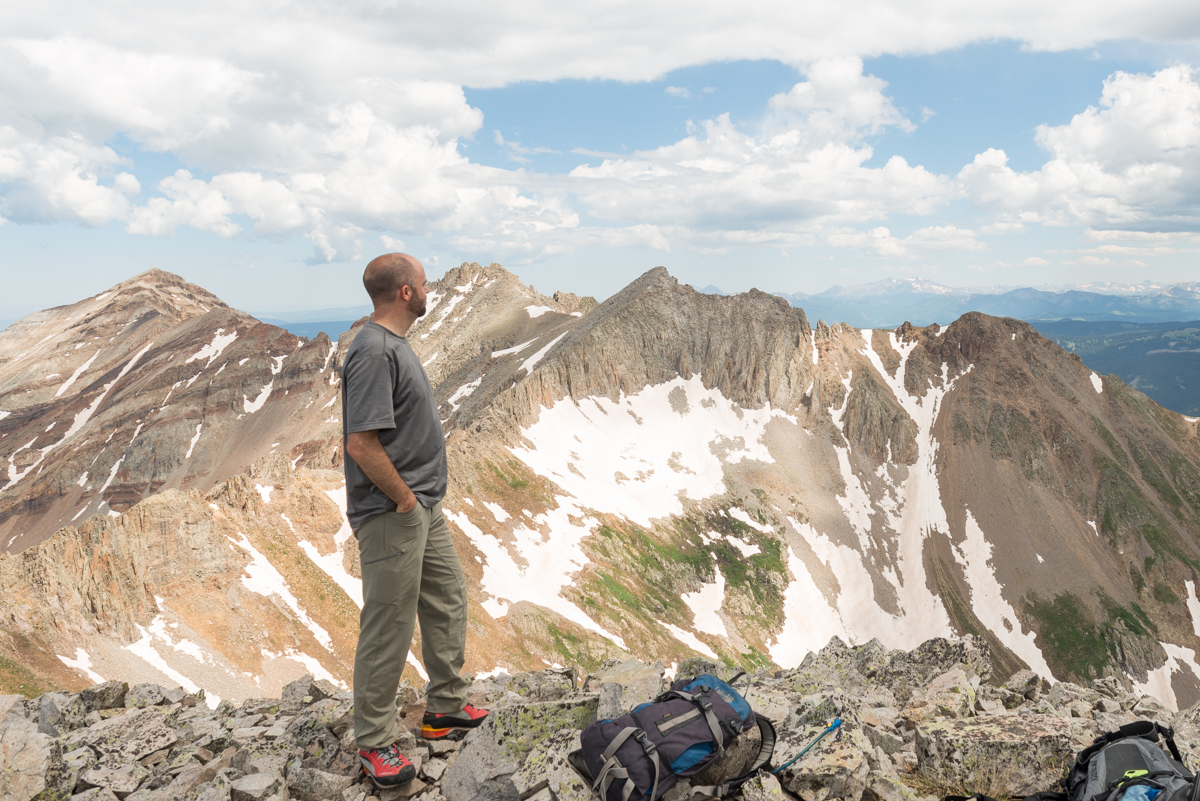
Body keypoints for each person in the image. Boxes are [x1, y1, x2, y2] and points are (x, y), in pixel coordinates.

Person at [341, 253, 488, 788]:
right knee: (390, 622)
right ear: (406, 292)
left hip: (424, 506)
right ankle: (375, 742)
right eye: (424, 283)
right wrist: (403, 499)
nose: (430, 290)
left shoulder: (392, 346)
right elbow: (361, 443)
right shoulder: (374, 350)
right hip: (393, 511)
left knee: (447, 597)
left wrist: (420, 501)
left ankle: (445, 707)